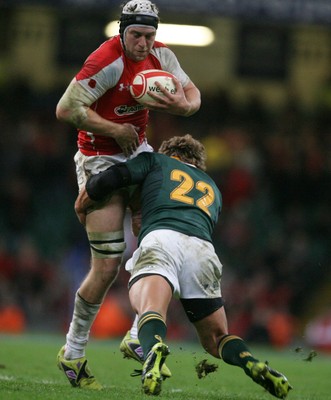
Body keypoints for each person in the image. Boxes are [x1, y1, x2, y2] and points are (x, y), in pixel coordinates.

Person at [75, 134, 293, 398]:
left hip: (162, 239)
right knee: (217, 339)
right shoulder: (213, 187)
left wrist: (88, 196)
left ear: (169, 154)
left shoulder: (156, 161)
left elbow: (112, 178)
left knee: (150, 310)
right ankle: (251, 362)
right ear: (198, 163)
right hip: (203, 250)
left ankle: (152, 352)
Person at [55, 0, 201, 390]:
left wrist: (184, 107)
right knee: (107, 266)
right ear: (122, 31)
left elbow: (193, 93)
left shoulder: (161, 55)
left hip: (139, 154)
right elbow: (66, 109)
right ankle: (72, 353)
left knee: (161, 239)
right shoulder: (106, 60)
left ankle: (138, 335)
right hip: (99, 160)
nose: (143, 42)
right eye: (136, 34)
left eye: (149, 35)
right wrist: (111, 127)